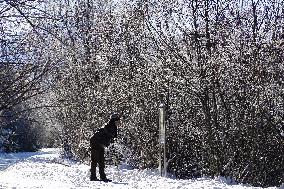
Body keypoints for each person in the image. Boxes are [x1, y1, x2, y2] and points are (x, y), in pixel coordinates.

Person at [90, 113, 120, 182]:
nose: (119, 122)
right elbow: (108, 137)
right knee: (95, 160)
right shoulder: (109, 127)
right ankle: (93, 177)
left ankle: (102, 177)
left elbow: (111, 139)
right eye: (118, 121)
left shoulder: (113, 127)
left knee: (101, 161)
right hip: (95, 143)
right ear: (114, 121)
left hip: (100, 144)